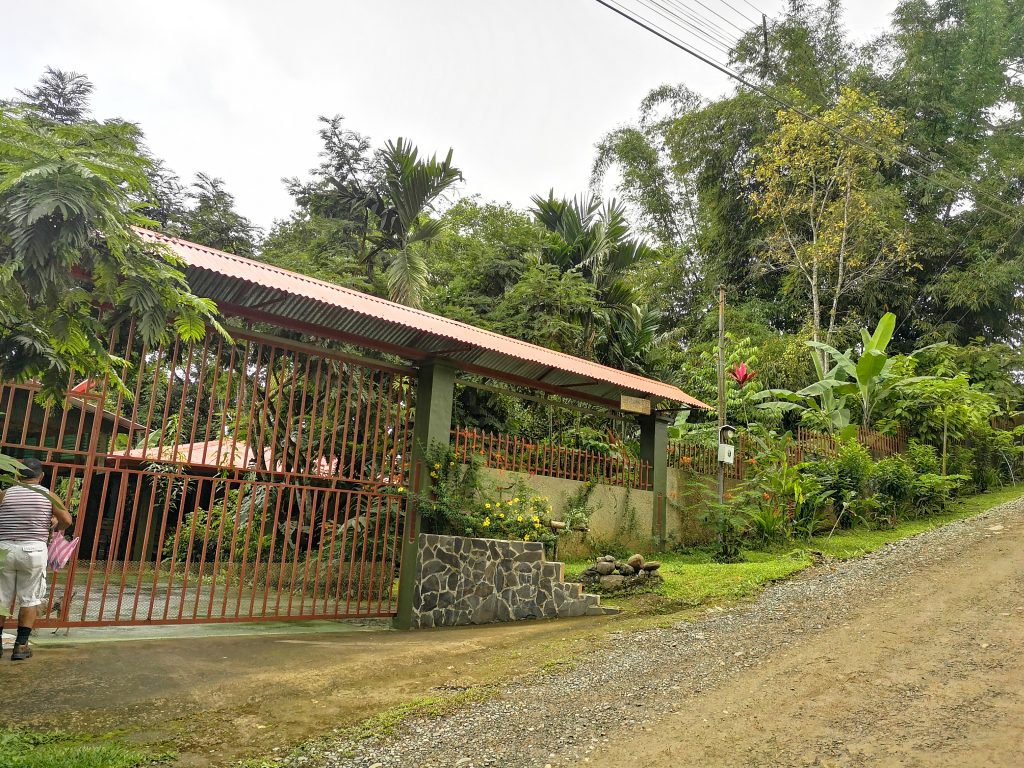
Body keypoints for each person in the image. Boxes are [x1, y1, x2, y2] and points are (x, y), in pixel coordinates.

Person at [0, 458, 72, 661]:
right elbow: (66, 521)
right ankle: (20, 646)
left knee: (0, 598)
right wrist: (54, 522)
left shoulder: (5, 494)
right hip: (33, 550)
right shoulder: (47, 495)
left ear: (16, 475)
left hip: (4, 548)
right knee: (30, 597)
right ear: (40, 476)